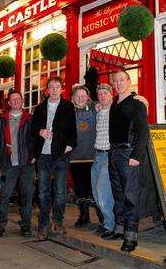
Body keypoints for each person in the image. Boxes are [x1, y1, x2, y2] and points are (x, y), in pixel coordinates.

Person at [32, 76, 77, 241]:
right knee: (43, 192)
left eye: (57, 86)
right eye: (51, 86)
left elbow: (73, 129)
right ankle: (43, 224)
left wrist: (70, 145)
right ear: (47, 90)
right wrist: (40, 131)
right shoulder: (39, 108)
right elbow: (33, 129)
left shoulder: (67, 107)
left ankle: (58, 221)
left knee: (60, 192)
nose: (54, 89)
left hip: (60, 155)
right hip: (43, 155)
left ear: (62, 89)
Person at [109, 69, 149, 252]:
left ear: (128, 81)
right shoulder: (114, 104)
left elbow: (143, 132)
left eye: (121, 80)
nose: (118, 83)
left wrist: (136, 156)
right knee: (118, 194)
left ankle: (131, 237)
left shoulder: (137, 103)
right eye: (115, 81)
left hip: (129, 153)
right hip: (114, 153)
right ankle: (119, 229)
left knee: (131, 196)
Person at [0, 89, 35, 238]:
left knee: (27, 195)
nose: (17, 101)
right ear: (9, 103)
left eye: (19, 99)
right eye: (14, 100)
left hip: (26, 163)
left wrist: (34, 155)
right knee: (3, 194)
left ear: (22, 101)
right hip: (7, 163)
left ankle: (25, 224)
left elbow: (36, 139)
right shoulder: (1, 120)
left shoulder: (30, 118)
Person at [69, 85, 97, 228]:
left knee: (96, 189)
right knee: (80, 189)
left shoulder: (95, 110)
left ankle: (102, 217)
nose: (80, 99)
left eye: (83, 96)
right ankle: (84, 216)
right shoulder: (68, 113)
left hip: (93, 156)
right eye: (77, 96)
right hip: (75, 158)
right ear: (72, 98)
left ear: (88, 98)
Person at [91, 84, 115, 238]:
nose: (102, 96)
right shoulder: (98, 112)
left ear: (111, 95)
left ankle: (110, 226)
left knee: (103, 191)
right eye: (100, 94)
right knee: (95, 191)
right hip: (97, 154)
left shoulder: (116, 109)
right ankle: (107, 222)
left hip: (109, 154)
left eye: (105, 93)